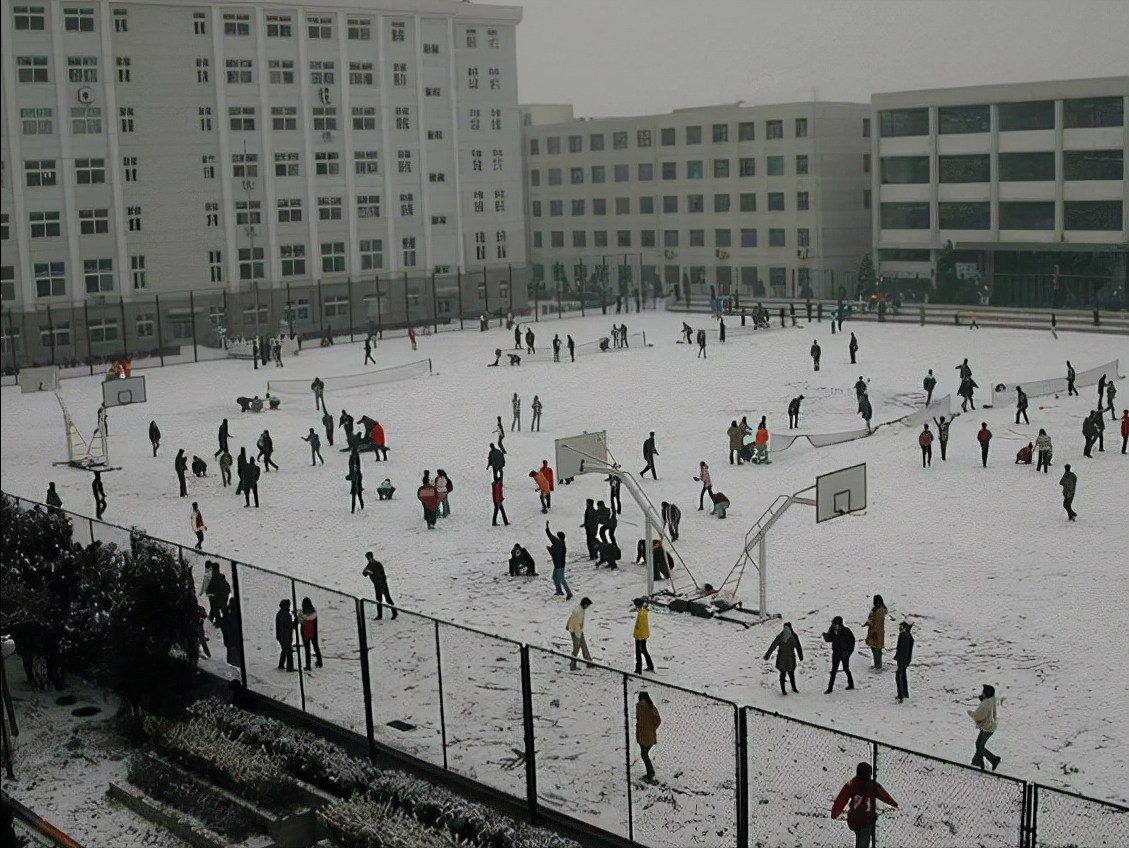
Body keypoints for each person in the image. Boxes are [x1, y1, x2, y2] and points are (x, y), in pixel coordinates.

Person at [831, 761, 899, 848]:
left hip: (854, 818)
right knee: (863, 841)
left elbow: (841, 799)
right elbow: (883, 795)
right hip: (867, 818)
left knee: (860, 839)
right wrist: (893, 803)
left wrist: (835, 812)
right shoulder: (872, 784)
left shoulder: (852, 783)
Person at [763, 622, 804, 695]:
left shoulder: (780, 636)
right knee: (791, 673)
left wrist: (767, 655)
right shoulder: (793, 636)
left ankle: (783, 691)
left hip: (781, 658)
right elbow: (798, 646)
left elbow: (773, 646)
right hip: (791, 659)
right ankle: (794, 688)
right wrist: (800, 656)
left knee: (782, 674)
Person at [968, 684, 1001, 771]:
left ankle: (994, 760)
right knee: (978, 744)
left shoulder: (985, 704)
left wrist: (970, 713)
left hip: (987, 728)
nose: (982, 692)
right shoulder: (991, 699)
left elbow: (978, 716)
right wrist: (983, 700)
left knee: (980, 747)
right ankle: (977, 762)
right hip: (989, 725)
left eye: (983, 691)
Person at [823, 615, 855, 693]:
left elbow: (852, 642)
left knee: (846, 669)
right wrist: (827, 633)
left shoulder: (846, 631)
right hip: (836, 653)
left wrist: (849, 653)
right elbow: (828, 639)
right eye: (833, 624)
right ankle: (830, 688)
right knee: (834, 670)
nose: (834, 625)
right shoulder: (833, 631)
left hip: (844, 653)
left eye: (835, 624)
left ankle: (851, 684)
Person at [636, 692, 662, 782]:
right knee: (644, 754)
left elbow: (638, 720)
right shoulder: (651, 708)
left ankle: (650, 773)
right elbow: (658, 721)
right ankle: (650, 773)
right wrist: (652, 728)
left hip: (640, 735)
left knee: (644, 755)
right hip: (649, 735)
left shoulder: (639, 707)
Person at [363, 552, 397, 619]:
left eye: (369, 558)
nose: (368, 559)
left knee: (388, 598)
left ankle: (394, 613)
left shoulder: (378, 564)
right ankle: (380, 615)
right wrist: (366, 571)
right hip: (377, 585)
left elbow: (382, 575)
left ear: (372, 557)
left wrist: (372, 573)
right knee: (379, 600)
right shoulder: (369, 566)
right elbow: (364, 574)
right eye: (367, 558)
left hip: (382, 583)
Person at [566, 597, 593, 670]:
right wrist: (576, 634)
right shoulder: (579, 611)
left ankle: (589, 662)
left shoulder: (579, 609)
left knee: (584, 646)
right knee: (576, 649)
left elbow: (571, 618)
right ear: (585, 604)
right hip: (576, 632)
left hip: (578, 631)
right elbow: (575, 623)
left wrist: (568, 625)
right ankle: (573, 666)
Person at [546, 521, 572, 600]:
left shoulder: (558, 543)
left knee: (561, 579)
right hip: (560, 564)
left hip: (558, 565)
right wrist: (550, 550)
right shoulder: (562, 544)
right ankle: (559, 591)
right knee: (555, 577)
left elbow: (550, 536)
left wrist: (547, 528)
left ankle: (569, 593)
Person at [298, 597, 323, 670]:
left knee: (307, 649)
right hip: (313, 632)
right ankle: (319, 662)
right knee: (316, 647)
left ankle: (308, 665)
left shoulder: (302, 614)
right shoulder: (314, 613)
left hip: (305, 632)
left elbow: (299, 621)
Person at [864, 595, 887, 670]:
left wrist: (874, 632)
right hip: (873, 631)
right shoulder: (875, 609)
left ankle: (878, 666)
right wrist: (868, 622)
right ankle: (876, 664)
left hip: (877, 633)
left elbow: (878, 623)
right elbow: (872, 618)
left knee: (877, 649)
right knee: (873, 648)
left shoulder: (880, 610)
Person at [633, 598, 655, 673]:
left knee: (638, 653)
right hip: (644, 635)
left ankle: (638, 670)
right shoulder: (644, 611)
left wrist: (638, 636)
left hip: (639, 636)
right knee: (644, 651)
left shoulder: (641, 614)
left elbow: (640, 626)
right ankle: (650, 666)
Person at [894, 621, 914, 702]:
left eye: (901, 627)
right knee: (903, 676)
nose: (899, 629)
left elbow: (903, 650)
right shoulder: (907, 636)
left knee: (899, 677)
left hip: (902, 660)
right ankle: (905, 693)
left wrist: (899, 659)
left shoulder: (905, 637)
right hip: (904, 660)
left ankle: (901, 695)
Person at [275, 599, 295, 671]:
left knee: (284, 650)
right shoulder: (285, 614)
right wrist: (295, 622)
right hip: (285, 636)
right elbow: (289, 625)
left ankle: (281, 665)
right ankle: (290, 667)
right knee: (289, 651)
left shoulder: (279, 613)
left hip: (281, 636)